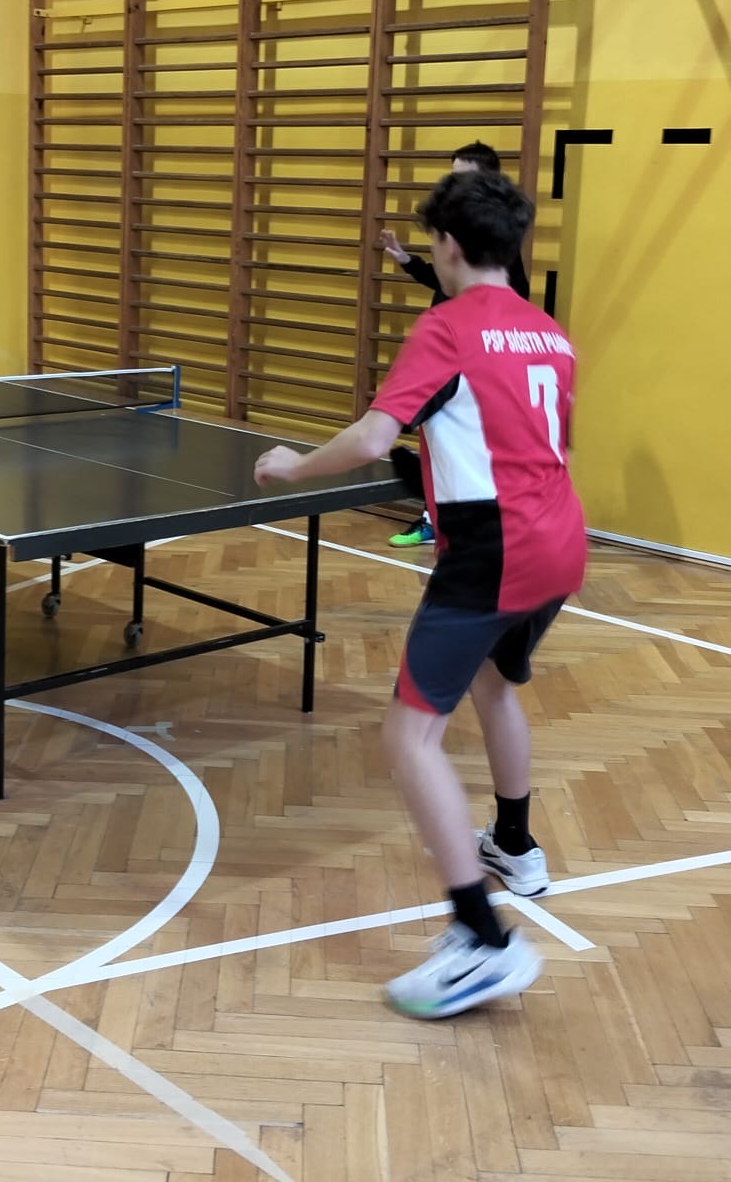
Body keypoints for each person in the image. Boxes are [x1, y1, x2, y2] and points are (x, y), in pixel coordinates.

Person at [255, 168, 585, 1019]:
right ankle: (515, 845)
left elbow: (373, 439)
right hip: (560, 542)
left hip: (495, 552)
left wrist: (293, 465)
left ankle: (481, 940)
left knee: (409, 738)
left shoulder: (446, 327)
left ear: (445, 246)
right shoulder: (551, 335)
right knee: (494, 684)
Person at [375, 141, 531, 550]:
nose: (453, 186)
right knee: (434, 437)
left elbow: (516, 297)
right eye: (452, 176)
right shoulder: (459, 246)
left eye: (463, 177)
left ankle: (445, 518)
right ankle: (434, 515)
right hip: (450, 352)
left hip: (470, 361)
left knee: (454, 443)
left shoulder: (495, 250)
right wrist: (408, 261)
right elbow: (446, 284)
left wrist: (298, 466)